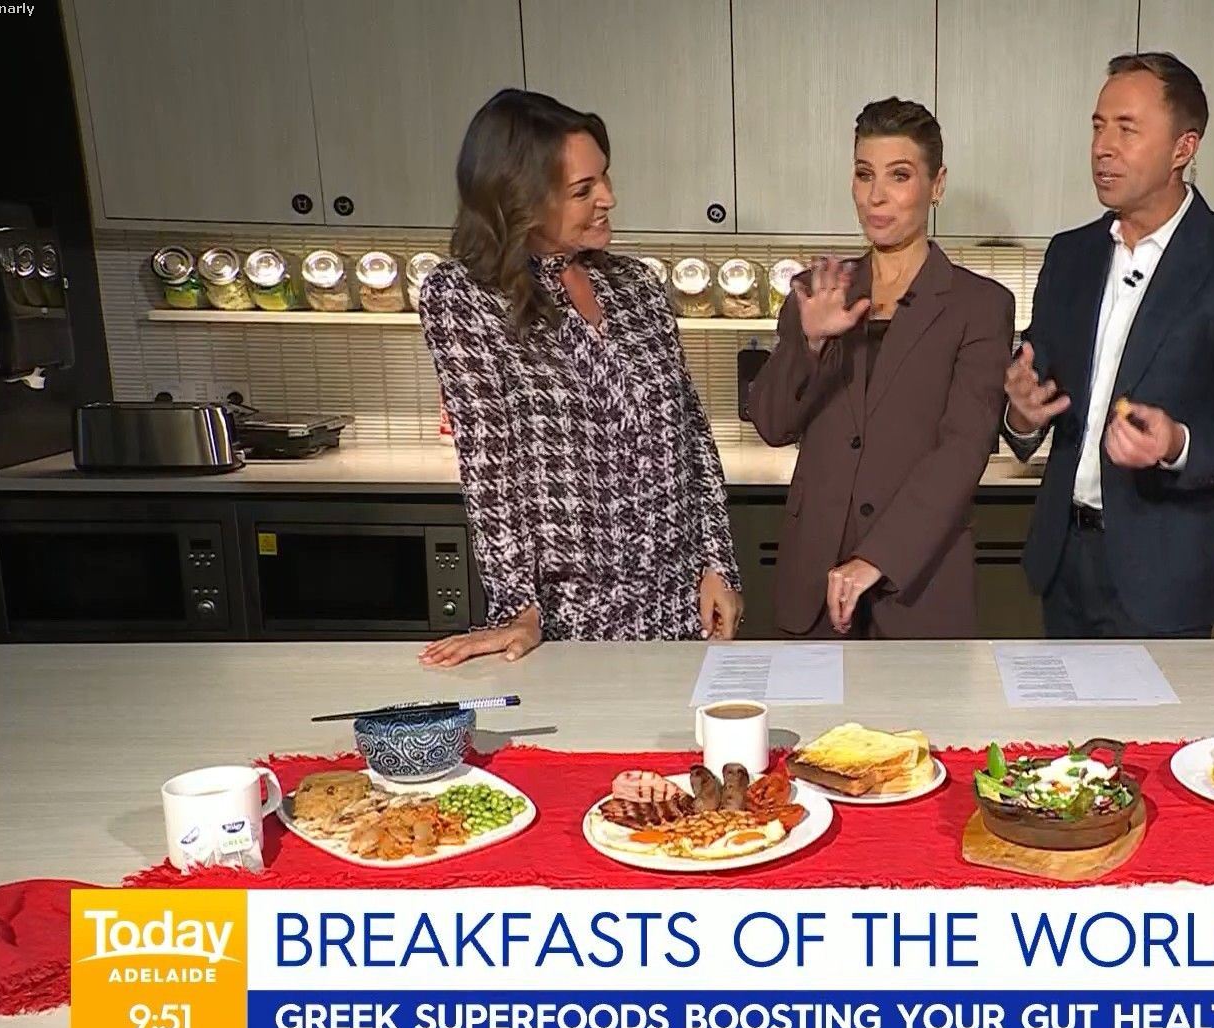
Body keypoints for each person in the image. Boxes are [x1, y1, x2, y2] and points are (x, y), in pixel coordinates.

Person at [416, 89, 742, 667]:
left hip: (681, 602)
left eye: (604, 178)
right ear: (521, 199)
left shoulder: (637, 286)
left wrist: (718, 562)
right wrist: (517, 606)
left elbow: (691, 434)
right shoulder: (463, 297)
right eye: (582, 189)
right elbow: (491, 467)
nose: (608, 198)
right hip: (570, 617)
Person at [1001, 52, 1214, 638]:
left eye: (1127, 129)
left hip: (1168, 581)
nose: (1102, 147)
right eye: (1097, 126)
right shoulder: (1070, 256)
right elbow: (1036, 394)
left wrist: (1177, 442)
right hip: (1064, 565)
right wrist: (1021, 413)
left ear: (1183, 148)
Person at [748, 99, 1012, 637]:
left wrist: (877, 558)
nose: (876, 196)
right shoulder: (817, 290)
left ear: (937, 185)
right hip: (813, 587)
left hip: (919, 587)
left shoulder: (980, 305)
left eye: (899, 176)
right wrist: (810, 343)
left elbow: (963, 450)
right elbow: (772, 424)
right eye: (865, 174)